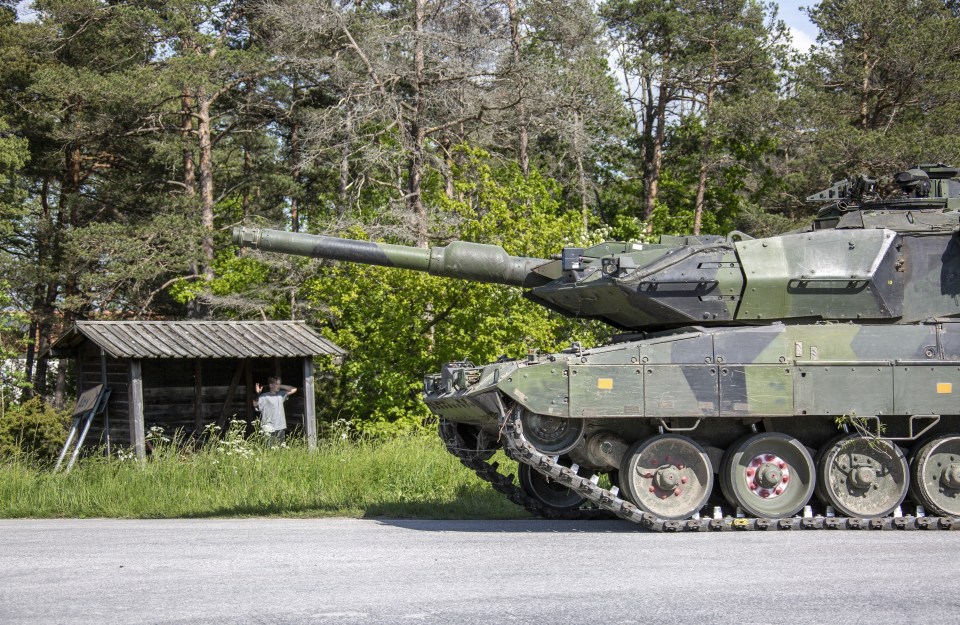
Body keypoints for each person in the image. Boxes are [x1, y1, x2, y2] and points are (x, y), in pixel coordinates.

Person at [254, 377, 297, 446]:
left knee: (280, 448)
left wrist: (280, 385)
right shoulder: (264, 396)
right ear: (271, 385)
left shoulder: (281, 394)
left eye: (279, 384)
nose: (278, 386)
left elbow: (294, 389)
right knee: (268, 449)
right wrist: (257, 394)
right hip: (268, 426)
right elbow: (255, 404)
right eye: (276, 384)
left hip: (280, 426)